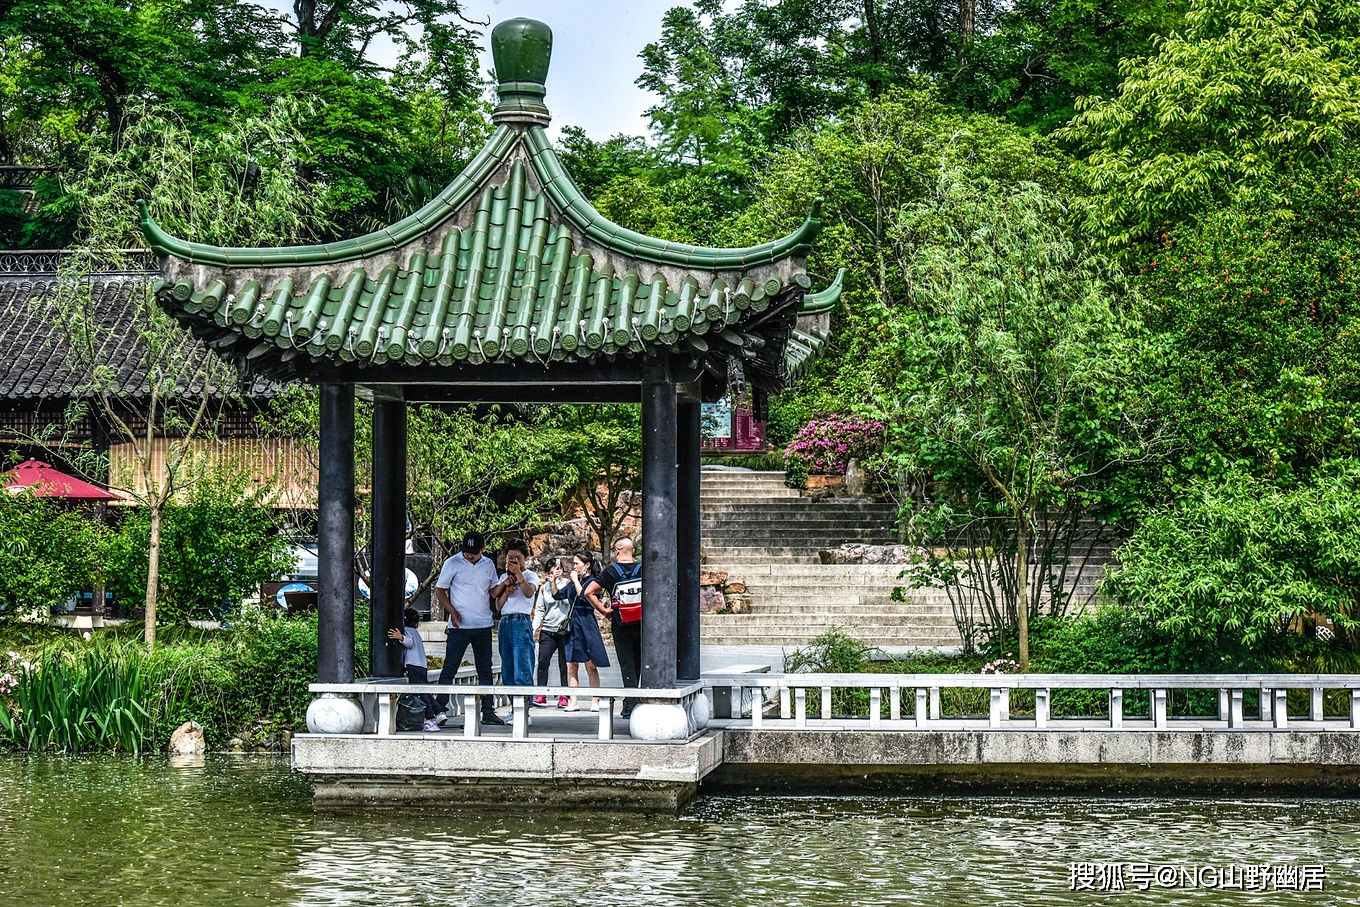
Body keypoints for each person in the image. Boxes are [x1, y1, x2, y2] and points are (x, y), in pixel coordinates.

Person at [434, 530, 505, 726]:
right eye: (467, 551)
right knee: (450, 667)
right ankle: (439, 710)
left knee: (485, 669)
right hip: (459, 626)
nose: (470, 555)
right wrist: (451, 611)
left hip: (483, 624)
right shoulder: (452, 563)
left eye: (474, 552)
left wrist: (506, 584)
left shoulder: (488, 564)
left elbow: (493, 591)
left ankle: (488, 711)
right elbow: (440, 590)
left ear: (483, 549)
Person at [583, 536, 642, 718]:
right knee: (639, 662)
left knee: (626, 663)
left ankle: (630, 703)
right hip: (642, 624)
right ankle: (634, 699)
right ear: (632, 550)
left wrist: (605, 611)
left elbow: (588, 592)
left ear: (616, 551)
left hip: (620, 623)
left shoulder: (611, 572)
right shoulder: (644, 569)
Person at [563, 552, 610, 712]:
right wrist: (554, 581)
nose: (574, 567)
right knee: (571, 665)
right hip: (573, 623)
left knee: (591, 665)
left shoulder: (593, 581)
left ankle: (595, 701)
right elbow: (559, 595)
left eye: (577, 563)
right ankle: (573, 701)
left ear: (587, 565)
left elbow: (584, 596)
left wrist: (576, 580)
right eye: (574, 564)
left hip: (587, 622)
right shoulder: (573, 581)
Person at [492, 540, 538, 693]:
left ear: (525, 558)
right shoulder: (503, 577)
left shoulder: (531, 575)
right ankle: (513, 708)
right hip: (505, 622)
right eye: (510, 557)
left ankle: (524, 710)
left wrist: (518, 573)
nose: (513, 561)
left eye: (518, 557)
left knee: (522, 666)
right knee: (508, 667)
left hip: (521, 621)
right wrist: (505, 590)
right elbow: (498, 605)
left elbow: (529, 592)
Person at [387, 607, 442, 731]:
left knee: (420, 692)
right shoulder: (416, 632)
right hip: (422, 665)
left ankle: (430, 719)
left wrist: (400, 637)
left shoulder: (407, 631)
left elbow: (409, 643)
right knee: (424, 690)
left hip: (413, 665)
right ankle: (438, 712)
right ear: (416, 623)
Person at [531, 558, 572, 708]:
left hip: (564, 631)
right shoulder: (543, 588)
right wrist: (533, 628)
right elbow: (540, 610)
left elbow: (567, 602)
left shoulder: (568, 584)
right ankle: (541, 693)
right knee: (542, 662)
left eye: (556, 569)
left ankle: (564, 695)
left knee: (564, 664)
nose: (553, 573)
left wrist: (556, 583)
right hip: (548, 630)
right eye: (550, 571)